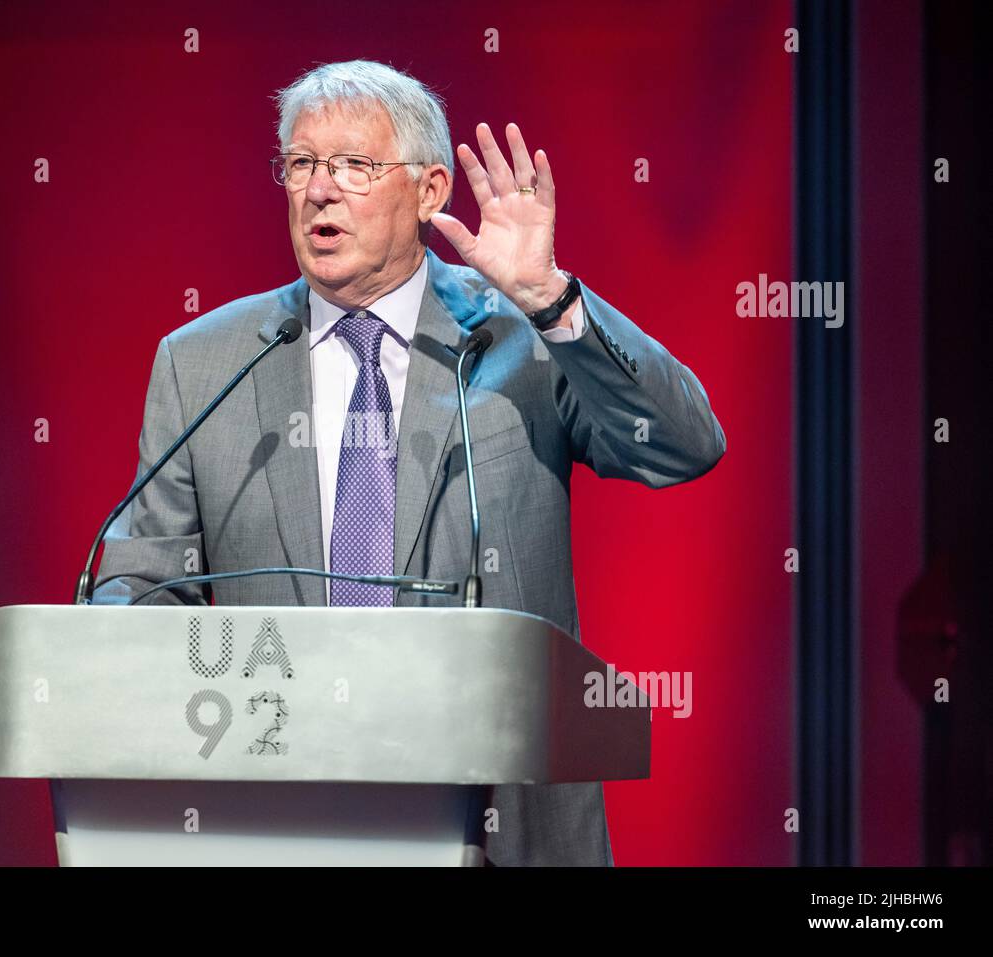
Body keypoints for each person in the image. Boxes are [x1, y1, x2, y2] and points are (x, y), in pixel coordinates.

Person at [94, 59, 725, 866]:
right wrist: (105, 650)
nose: (320, 189)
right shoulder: (204, 362)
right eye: (300, 163)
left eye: (355, 165)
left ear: (430, 193)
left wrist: (552, 298)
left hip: (502, 826)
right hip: (275, 825)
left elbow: (684, 444)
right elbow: (146, 583)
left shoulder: (519, 336)